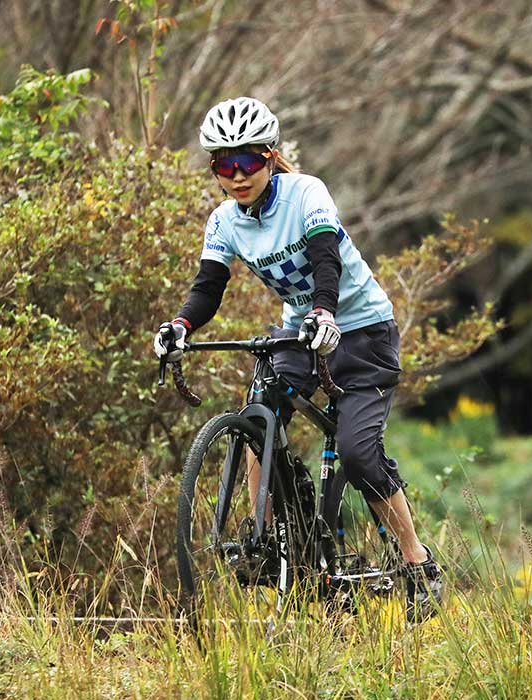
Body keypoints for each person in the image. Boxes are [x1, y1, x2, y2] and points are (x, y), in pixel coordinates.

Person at [153, 96, 443, 621]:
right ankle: (263, 534)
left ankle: (415, 561)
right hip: (300, 333)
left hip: (363, 331)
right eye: (224, 164)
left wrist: (327, 313)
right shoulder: (224, 221)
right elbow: (208, 287)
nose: (237, 175)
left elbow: (325, 257)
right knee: (259, 412)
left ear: (270, 155)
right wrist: (179, 327)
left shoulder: (306, 193)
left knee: (357, 454)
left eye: (247, 161)